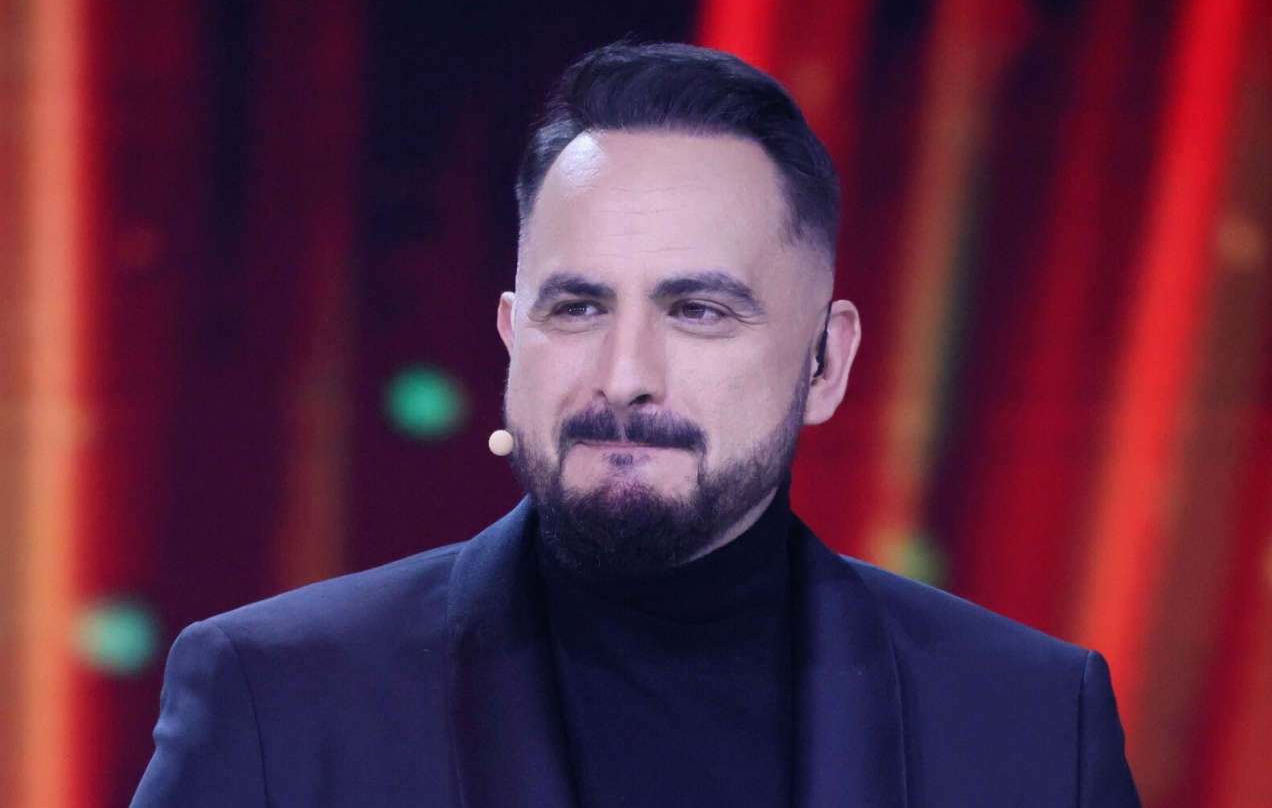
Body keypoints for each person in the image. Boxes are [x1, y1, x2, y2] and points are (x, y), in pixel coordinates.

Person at [131, 42, 1141, 808]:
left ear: (826, 363)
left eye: (697, 310)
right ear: (512, 338)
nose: (624, 377)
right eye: (577, 307)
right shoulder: (277, 700)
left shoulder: (1033, 725)